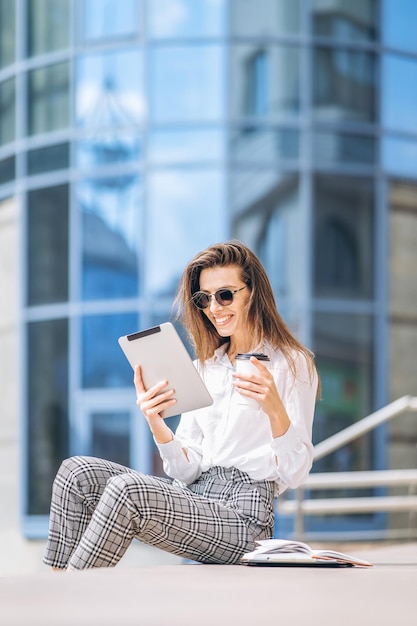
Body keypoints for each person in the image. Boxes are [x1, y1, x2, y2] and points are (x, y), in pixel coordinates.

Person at [43, 241, 319, 571]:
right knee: (76, 472)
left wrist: (274, 409)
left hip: (245, 517)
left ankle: (65, 602)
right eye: (204, 298)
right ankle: (57, 587)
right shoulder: (204, 368)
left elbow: (296, 472)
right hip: (195, 499)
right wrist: (156, 421)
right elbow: (186, 471)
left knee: (128, 490)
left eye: (225, 295)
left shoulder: (291, 364)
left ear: (252, 293)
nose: (215, 307)